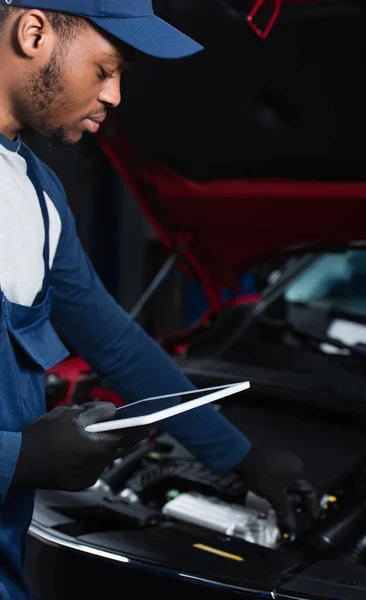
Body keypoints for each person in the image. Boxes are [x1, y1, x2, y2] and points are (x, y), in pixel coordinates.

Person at [0, 1, 318, 598]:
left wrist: (241, 458)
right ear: (34, 32)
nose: (116, 95)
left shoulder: (38, 197)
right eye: (105, 69)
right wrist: (18, 461)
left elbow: (111, 339)